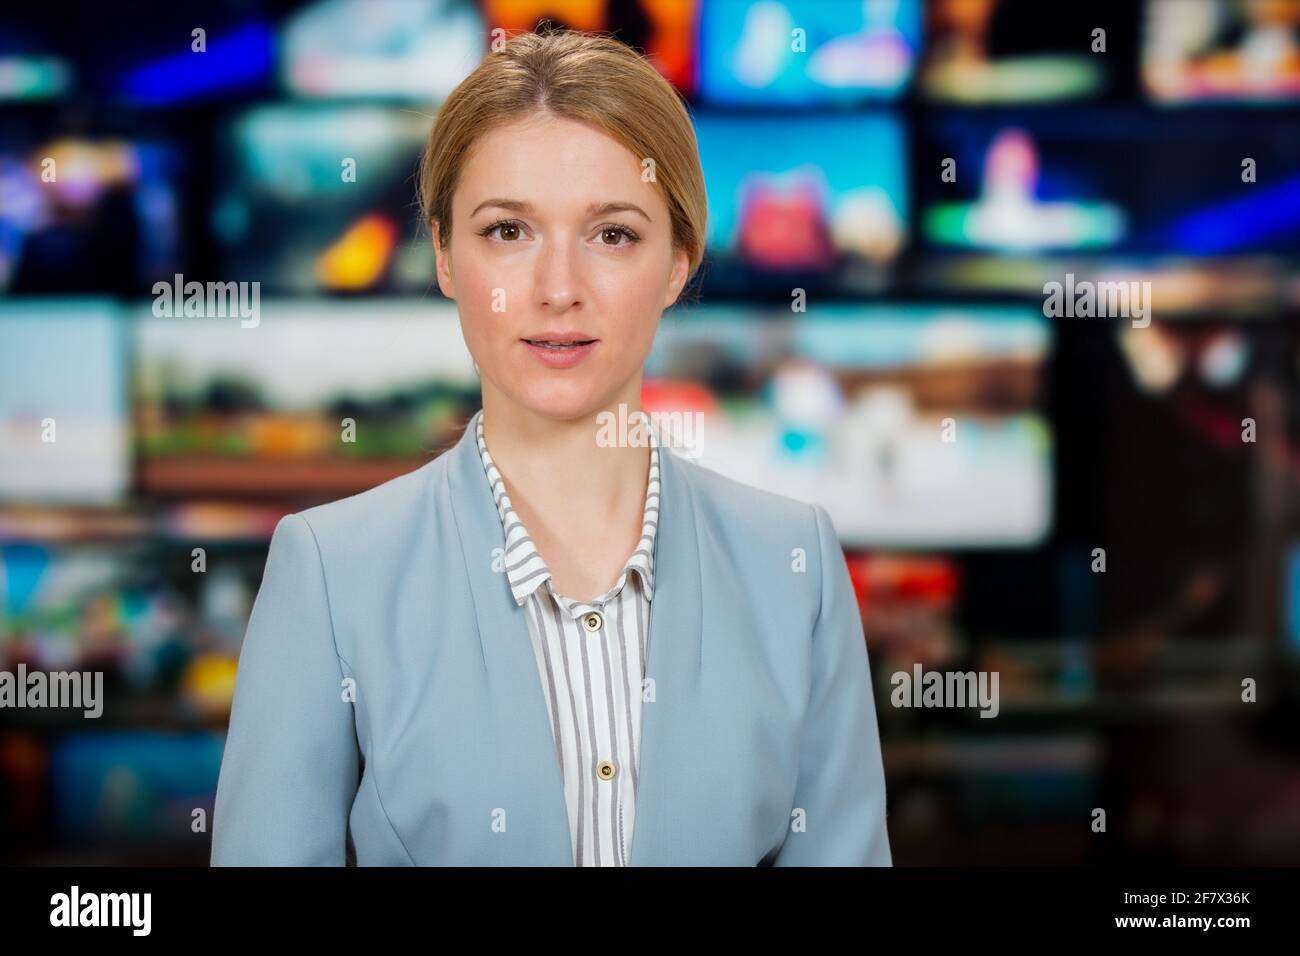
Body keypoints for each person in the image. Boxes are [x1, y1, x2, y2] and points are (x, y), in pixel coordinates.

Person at [211, 27, 891, 867]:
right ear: (445, 257)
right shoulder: (328, 570)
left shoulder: (796, 564)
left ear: (680, 260)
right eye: (506, 232)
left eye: (613, 235)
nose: (559, 290)